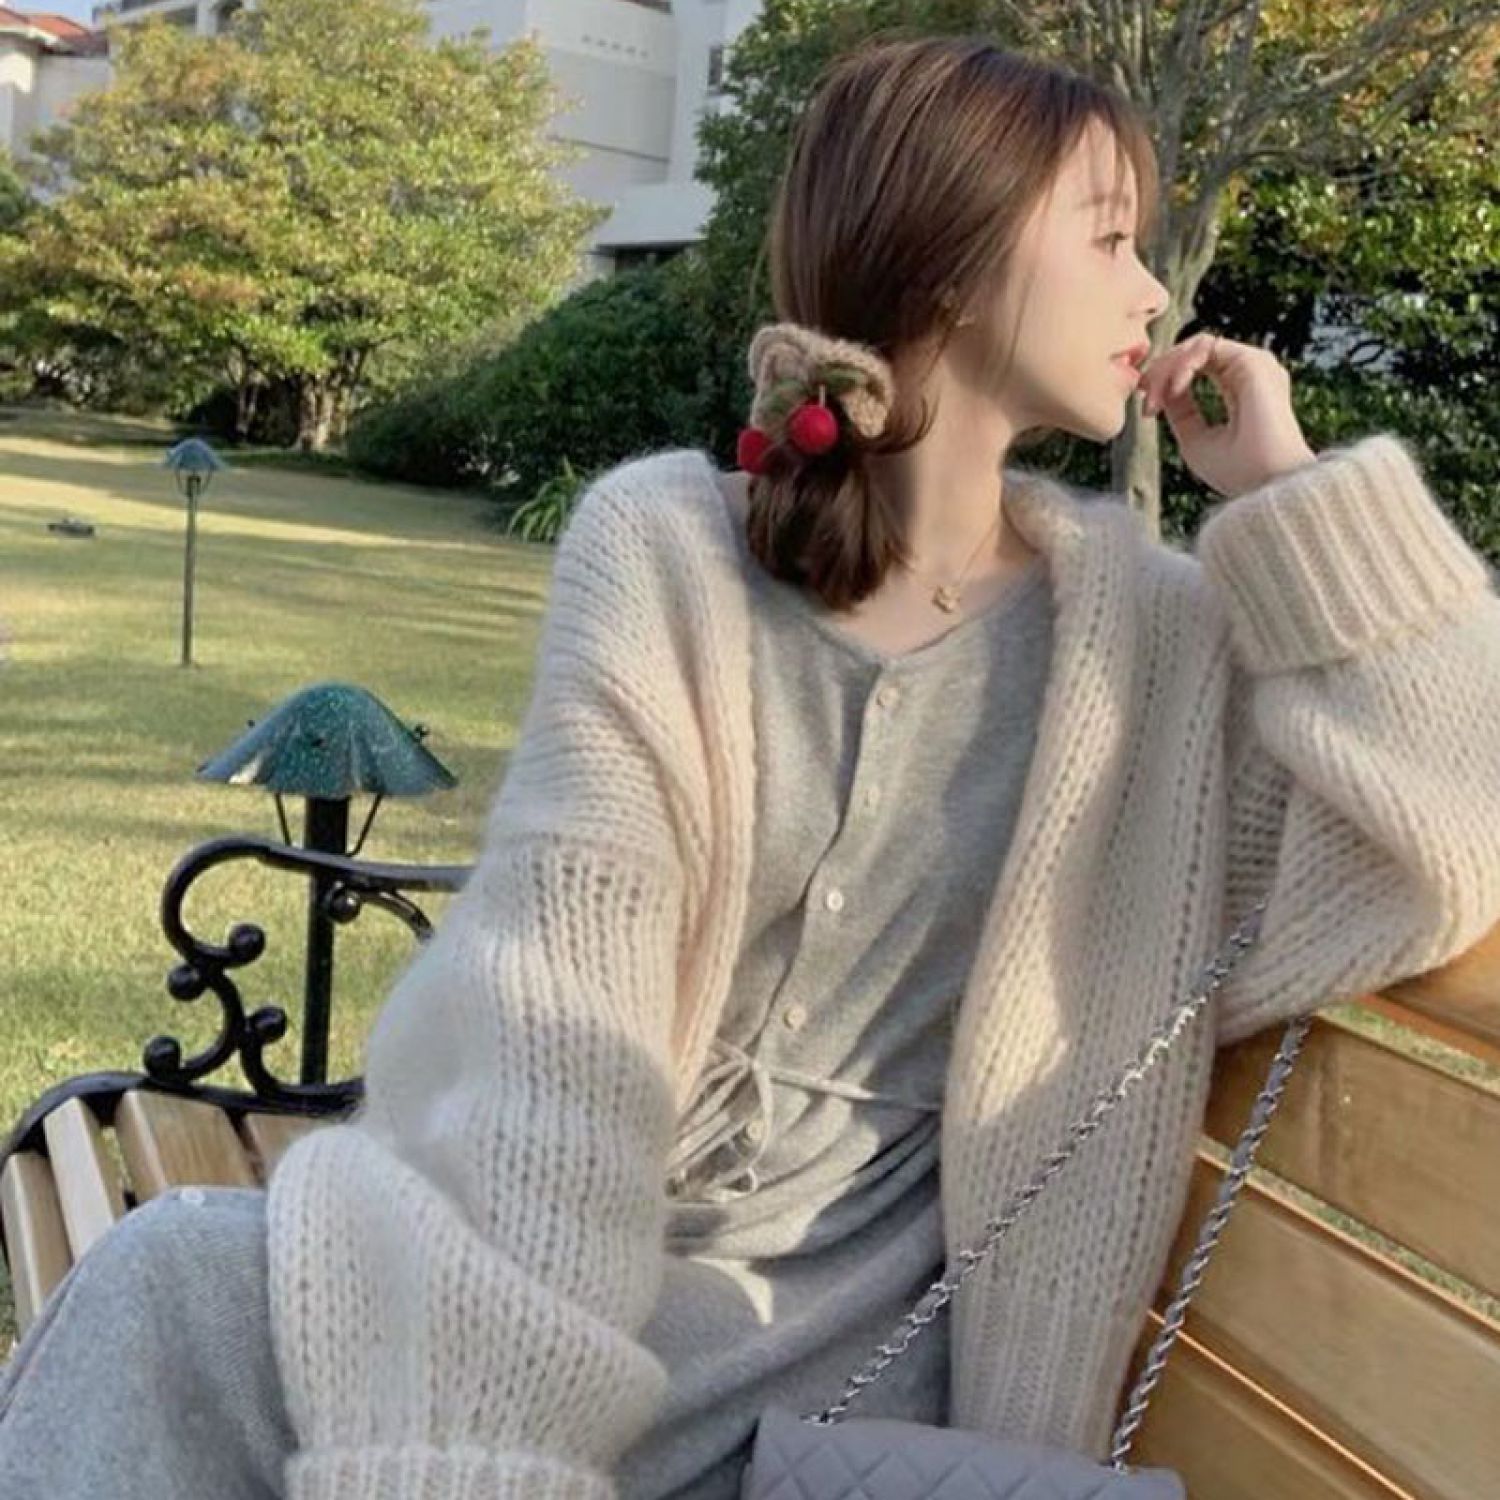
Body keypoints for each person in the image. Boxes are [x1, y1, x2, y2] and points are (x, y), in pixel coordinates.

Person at [5, 31, 1500, 1500]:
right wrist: (486, 1428)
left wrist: (1293, 490)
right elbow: (559, 1022)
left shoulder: (1150, 653)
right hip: (570, 1271)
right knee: (167, 1288)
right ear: (952, 258)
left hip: (834, 1373)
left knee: (171, 1284)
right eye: (1110, 238)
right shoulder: (671, 552)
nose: (1153, 290)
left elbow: (1458, 820)